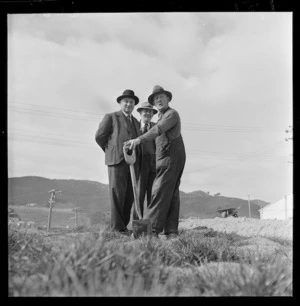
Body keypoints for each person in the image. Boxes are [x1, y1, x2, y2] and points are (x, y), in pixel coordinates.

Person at [124, 85, 186, 239]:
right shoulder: (161, 116)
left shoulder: (171, 115)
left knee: (159, 191)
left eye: (161, 97)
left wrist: (138, 140)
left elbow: (158, 130)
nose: (158, 100)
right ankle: (171, 231)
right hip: (166, 158)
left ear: (168, 99)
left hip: (171, 158)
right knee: (171, 194)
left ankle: (148, 231)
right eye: (155, 98)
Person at [95, 89, 141, 235]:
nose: (128, 104)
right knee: (117, 194)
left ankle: (123, 226)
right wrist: (111, 151)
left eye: (131, 102)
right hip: (116, 161)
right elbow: (99, 137)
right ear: (121, 103)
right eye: (126, 101)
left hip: (132, 162)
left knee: (129, 195)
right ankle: (116, 228)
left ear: (134, 105)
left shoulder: (135, 122)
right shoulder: (111, 117)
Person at [132, 101, 158, 221]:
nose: (147, 113)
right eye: (145, 111)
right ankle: (137, 223)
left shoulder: (155, 127)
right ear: (140, 113)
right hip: (138, 165)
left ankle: (151, 224)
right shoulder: (134, 126)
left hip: (153, 165)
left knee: (152, 196)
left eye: (150, 112)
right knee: (139, 195)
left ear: (152, 114)